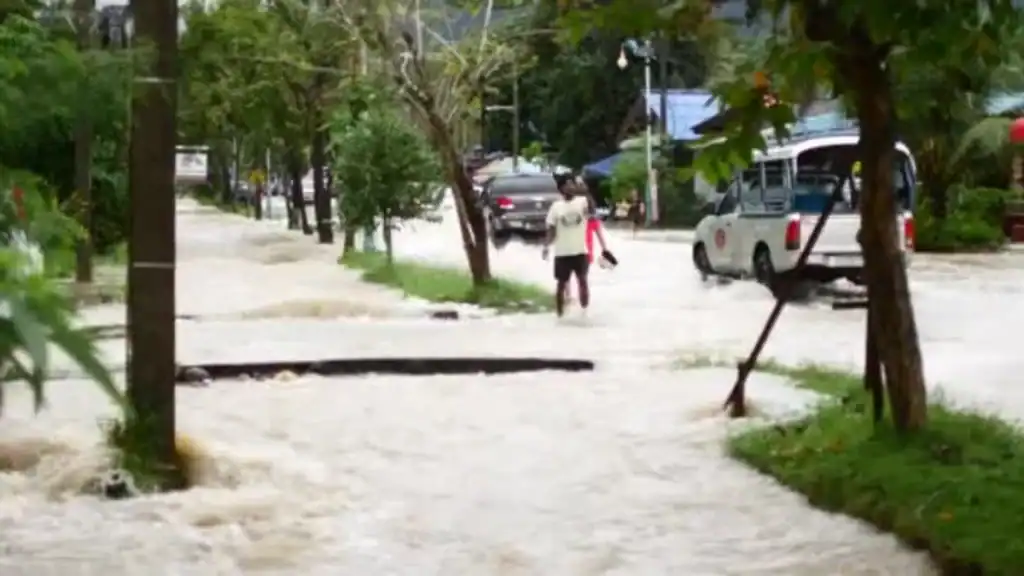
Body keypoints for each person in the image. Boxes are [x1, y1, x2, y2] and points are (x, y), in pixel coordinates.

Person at [542, 174, 592, 317]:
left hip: (580, 251)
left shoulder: (582, 201)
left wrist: (584, 188)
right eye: (567, 184)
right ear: (561, 188)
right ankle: (559, 314)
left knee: (583, 280)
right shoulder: (556, 207)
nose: (571, 187)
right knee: (561, 285)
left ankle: (585, 312)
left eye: (572, 184)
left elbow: (591, 210)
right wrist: (546, 246)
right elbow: (551, 230)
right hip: (562, 252)